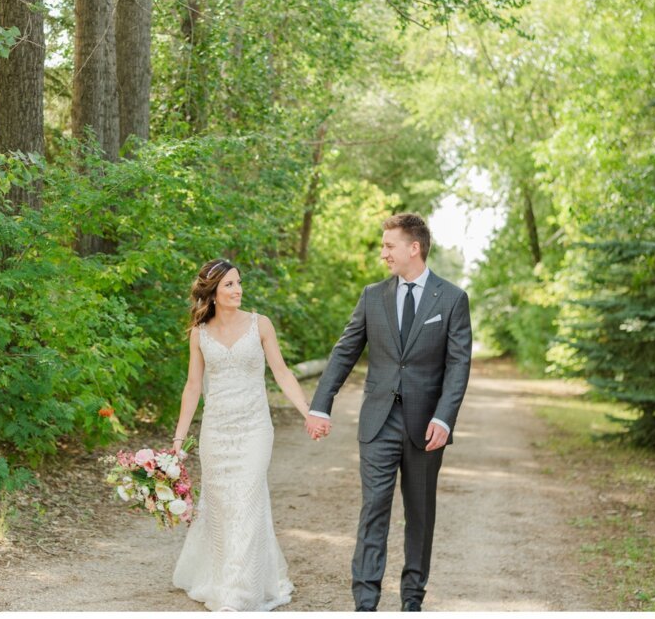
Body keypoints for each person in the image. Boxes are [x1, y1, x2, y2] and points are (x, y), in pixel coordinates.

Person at [304, 213, 471, 612]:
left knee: (420, 514)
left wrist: (444, 418)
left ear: (414, 247)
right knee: (373, 509)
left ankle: (412, 600)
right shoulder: (372, 296)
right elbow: (345, 351)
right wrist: (319, 405)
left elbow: (458, 364)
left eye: (389, 245)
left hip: (426, 427)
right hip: (378, 422)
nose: (383, 254)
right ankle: (365, 601)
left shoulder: (451, 299)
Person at [171, 258, 312, 611]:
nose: (237, 290)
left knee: (247, 498)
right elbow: (192, 387)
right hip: (216, 432)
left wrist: (308, 413)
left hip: (254, 429)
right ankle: (223, 579)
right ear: (213, 293)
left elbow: (281, 373)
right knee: (222, 506)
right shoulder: (199, 334)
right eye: (229, 285)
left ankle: (240, 593)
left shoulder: (260, 324)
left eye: (238, 283)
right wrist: (178, 440)